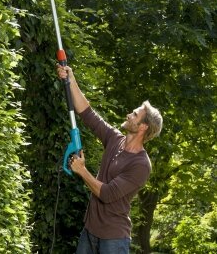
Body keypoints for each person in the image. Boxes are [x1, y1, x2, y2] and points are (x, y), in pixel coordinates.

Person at [56, 64, 163, 254]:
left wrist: (82, 170)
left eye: (135, 114)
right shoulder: (115, 139)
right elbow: (87, 113)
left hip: (113, 240)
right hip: (89, 231)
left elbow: (107, 193)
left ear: (143, 127)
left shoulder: (141, 165)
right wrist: (70, 79)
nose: (129, 115)